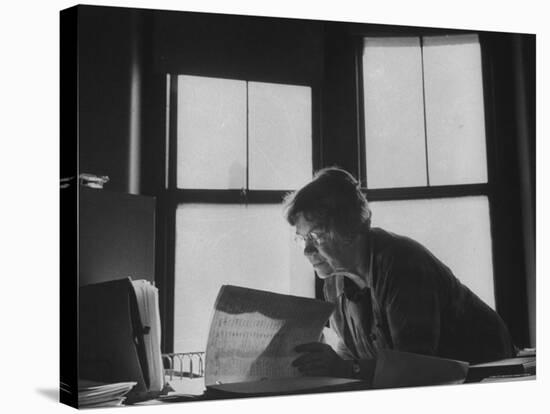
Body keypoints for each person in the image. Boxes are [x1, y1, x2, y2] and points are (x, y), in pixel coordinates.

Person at [284, 167, 516, 381]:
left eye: (315, 236)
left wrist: (345, 368)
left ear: (349, 226)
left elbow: (414, 368)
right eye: (302, 239)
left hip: (491, 377)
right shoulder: (334, 282)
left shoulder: (401, 264)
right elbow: (349, 354)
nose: (306, 250)